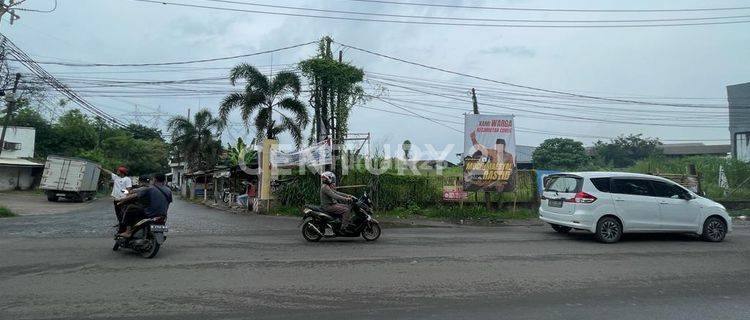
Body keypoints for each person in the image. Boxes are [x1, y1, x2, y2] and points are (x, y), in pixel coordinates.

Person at [117, 173, 173, 238]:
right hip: (162, 214)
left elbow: (132, 195)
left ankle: (128, 231)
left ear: (154, 180)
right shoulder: (168, 190)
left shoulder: (149, 188)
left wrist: (120, 200)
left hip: (149, 213)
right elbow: (168, 203)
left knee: (131, 208)